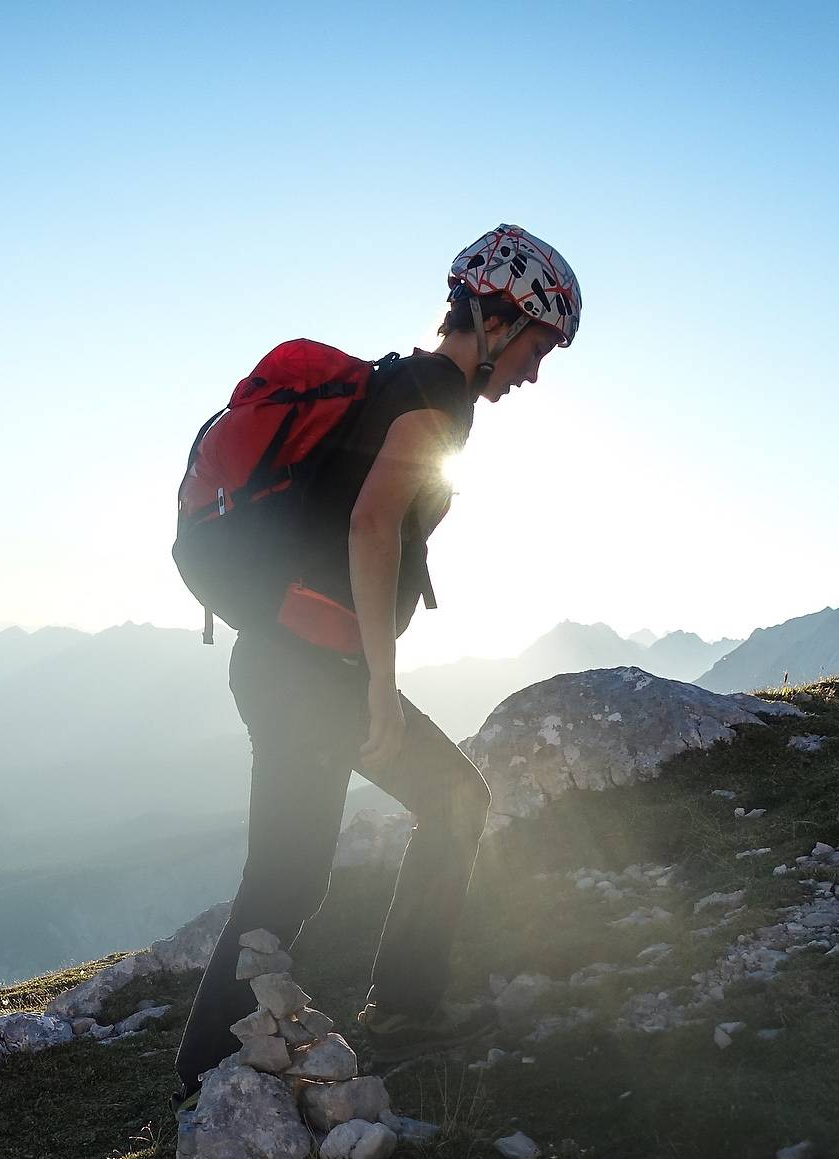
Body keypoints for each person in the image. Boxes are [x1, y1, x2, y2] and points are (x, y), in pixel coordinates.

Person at [172, 225, 580, 1100]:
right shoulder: (439, 396)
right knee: (327, 859)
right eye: (539, 347)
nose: (535, 373)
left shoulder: (399, 381)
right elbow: (370, 528)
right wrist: (382, 695)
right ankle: (217, 1075)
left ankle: (351, 1022)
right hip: (316, 674)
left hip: (285, 661)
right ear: (498, 319)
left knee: (313, 863)